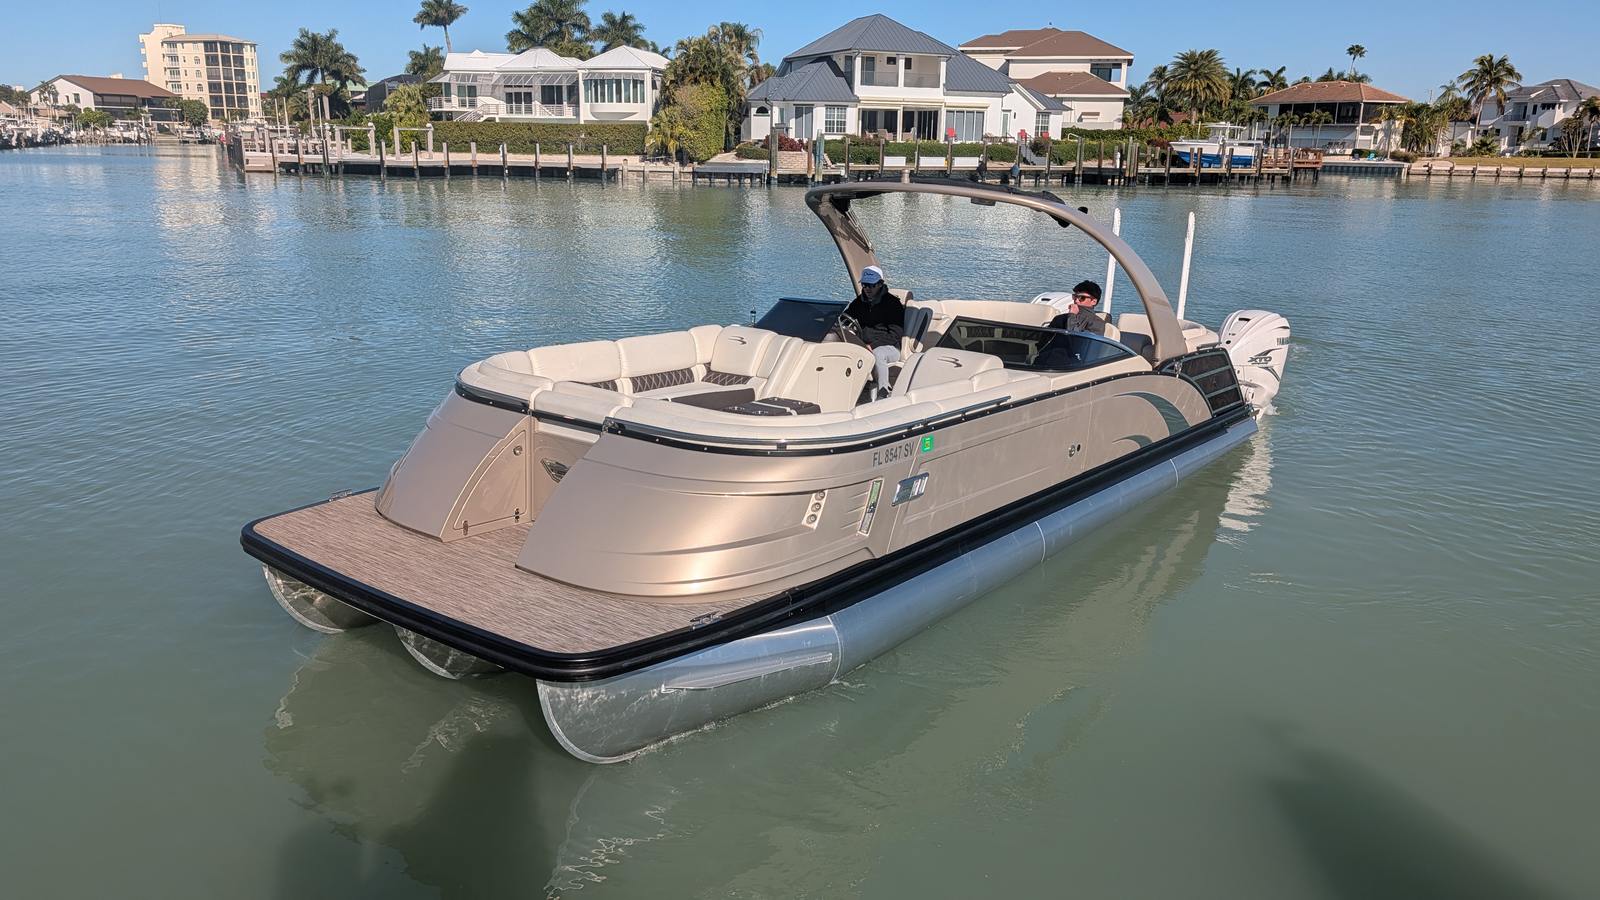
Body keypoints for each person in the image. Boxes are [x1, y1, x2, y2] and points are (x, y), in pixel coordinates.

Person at [841, 265, 906, 399]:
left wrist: (873, 345)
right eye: (864, 285)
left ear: (880, 284)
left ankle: (884, 392)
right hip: (864, 344)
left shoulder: (893, 304)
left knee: (878, 353)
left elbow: (896, 334)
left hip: (890, 347)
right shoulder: (859, 302)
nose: (867, 289)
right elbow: (845, 318)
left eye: (871, 285)